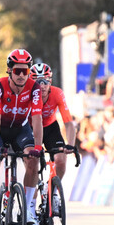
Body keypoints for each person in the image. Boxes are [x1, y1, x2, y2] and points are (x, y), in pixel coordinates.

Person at [0, 48, 43, 225]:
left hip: (20, 129)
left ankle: (26, 211)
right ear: (9, 70)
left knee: (33, 162)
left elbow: (37, 118)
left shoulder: (34, 88)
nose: (21, 75)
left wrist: (38, 148)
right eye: (17, 71)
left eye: (25, 71)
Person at [29, 62, 76, 214]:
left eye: (45, 81)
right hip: (30, 128)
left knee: (61, 160)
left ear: (50, 82)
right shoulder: (27, 95)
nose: (42, 86)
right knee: (32, 164)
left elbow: (68, 122)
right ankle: (31, 204)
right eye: (37, 82)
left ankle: (52, 191)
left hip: (50, 128)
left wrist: (71, 144)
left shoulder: (57, 93)